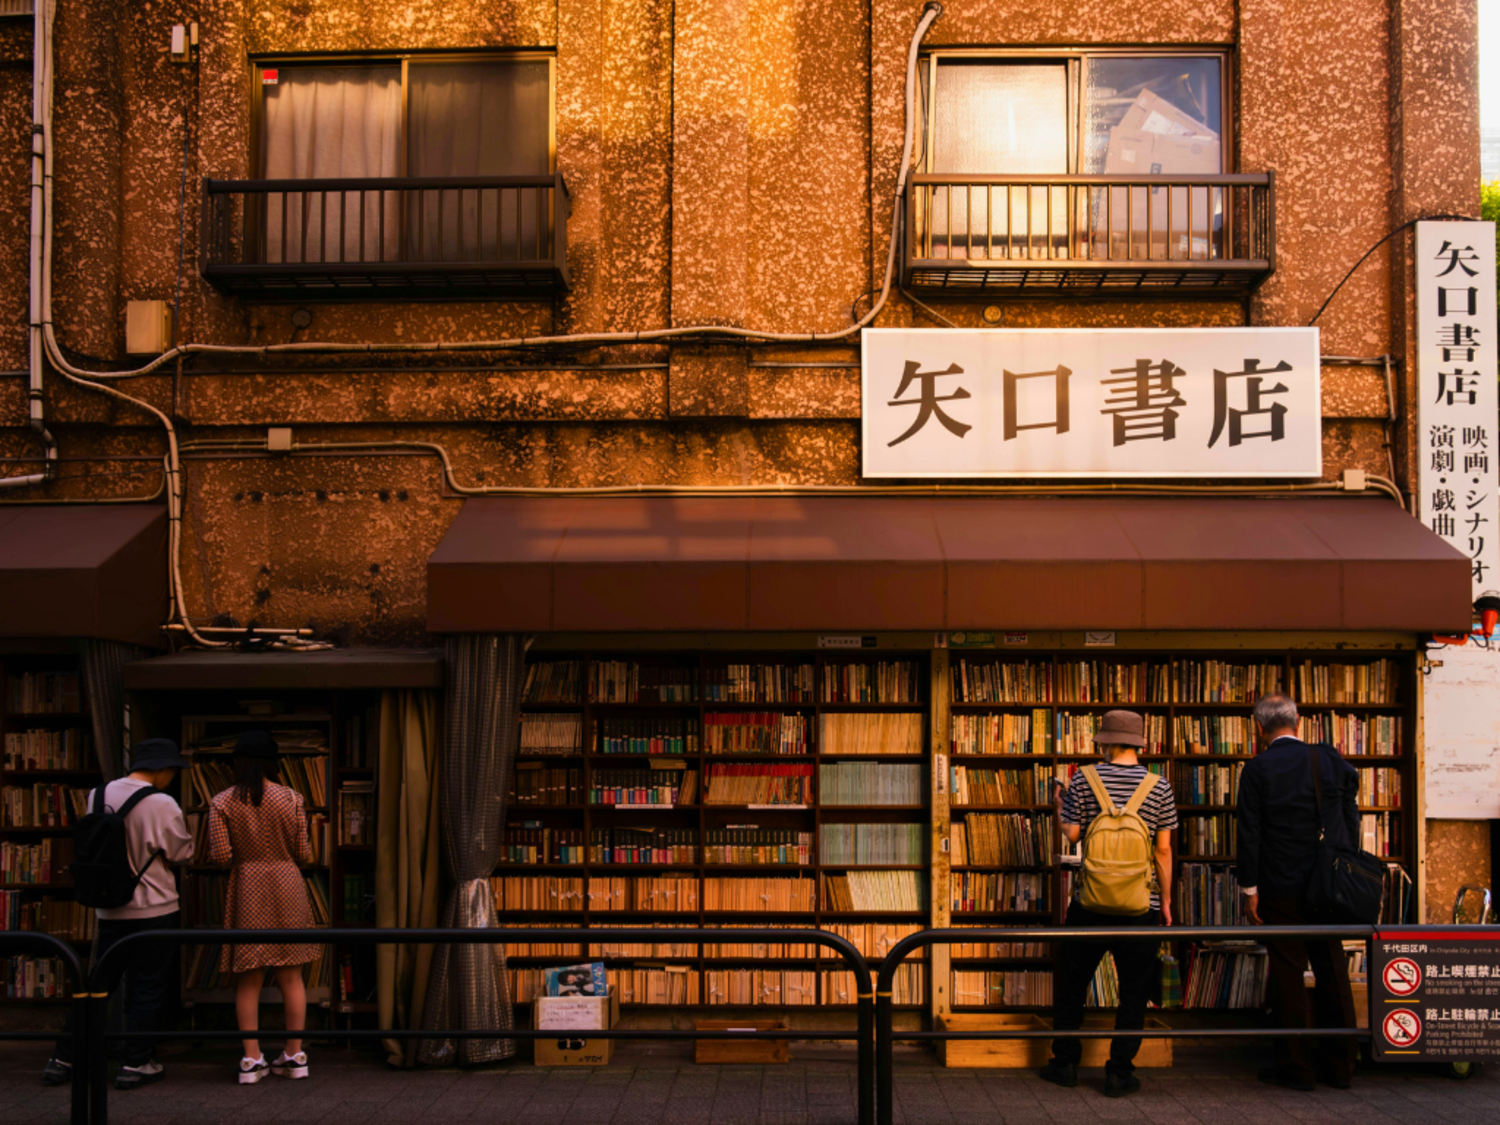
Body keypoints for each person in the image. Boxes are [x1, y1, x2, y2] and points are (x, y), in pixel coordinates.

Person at [42, 738, 194, 1090]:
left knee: (97, 986)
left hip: (109, 908)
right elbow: (182, 851)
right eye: (172, 770)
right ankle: (135, 1062)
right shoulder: (161, 802)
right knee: (148, 986)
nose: (172, 777)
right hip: (154, 906)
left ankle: (62, 1057)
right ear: (162, 768)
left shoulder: (98, 794)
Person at [1040, 710, 1177, 1098]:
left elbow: (1072, 836)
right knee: (1134, 990)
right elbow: (1163, 851)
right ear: (1138, 743)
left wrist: (1058, 806)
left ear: (1107, 742)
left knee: (1071, 983)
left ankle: (1065, 1063)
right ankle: (1119, 1073)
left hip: (1091, 901)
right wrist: (1164, 901)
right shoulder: (1160, 786)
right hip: (1140, 904)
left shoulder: (1084, 779)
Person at [1238, 692, 1359, 1091]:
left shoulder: (1257, 769)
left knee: (1288, 972)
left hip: (1280, 886)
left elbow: (1250, 832)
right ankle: (1340, 1066)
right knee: (1332, 968)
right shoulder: (1329, 759)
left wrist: (1251, 889)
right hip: (1329, 885)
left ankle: (1296, 1067)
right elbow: (1349, 814)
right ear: (1299, 721)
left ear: (1258, 728)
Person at [207, 729, 321, 1085]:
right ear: (273, 762)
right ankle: (295, 1055)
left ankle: (252, 1059)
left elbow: (221, 856)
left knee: (250, 976)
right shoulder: (292, 798)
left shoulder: (221, 802)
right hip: (288, 883)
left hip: (248, 886)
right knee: (291, 975)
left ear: (237, 762)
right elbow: (305, 854)